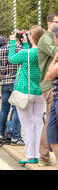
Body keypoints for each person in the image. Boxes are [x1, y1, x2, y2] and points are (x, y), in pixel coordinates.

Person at [8, 25, 45, 165]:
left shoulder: (26, 53)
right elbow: (30, 54)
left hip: (25, 91)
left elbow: (12, 58)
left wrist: (12, 42)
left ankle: (30, 155)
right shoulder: (43, 52)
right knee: (38, 123)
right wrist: (25, 43)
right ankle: (38, 154)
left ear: (31, 37)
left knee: (27, 124)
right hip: (40, 91)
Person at [0, 33, 24, 146]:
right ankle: (15, 136)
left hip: (5, 83)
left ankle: (2, 134)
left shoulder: (0, 50)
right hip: (17, 83)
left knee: (4, 110)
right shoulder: (21, 49)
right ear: (17, 40)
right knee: (16, 110)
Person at [38, 12, 58, 166]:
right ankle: (44, 156)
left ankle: (44, 156)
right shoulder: (46, 39)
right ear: (49, 22)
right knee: (51, 122)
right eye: (57, 22)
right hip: (49, 85)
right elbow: (55, 52)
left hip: (50, 84)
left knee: (51, 122)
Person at [44, 25, 58, 169]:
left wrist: (54, 60)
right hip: (56, 98)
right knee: (52, 132)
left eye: (54, 37)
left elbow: (49, 75)